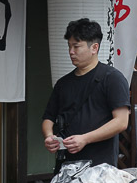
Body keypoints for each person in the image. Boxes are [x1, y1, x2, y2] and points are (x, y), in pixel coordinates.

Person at [42, 18, 130, 171]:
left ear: (94, 48)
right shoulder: (63, 83)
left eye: (76, 46)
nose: (71, 52)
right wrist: (49, 136)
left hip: (99, 166)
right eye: (69, 46)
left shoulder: (112, 78)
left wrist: (85, 139)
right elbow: (48, 117)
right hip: (66, 166)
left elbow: (121, 122)